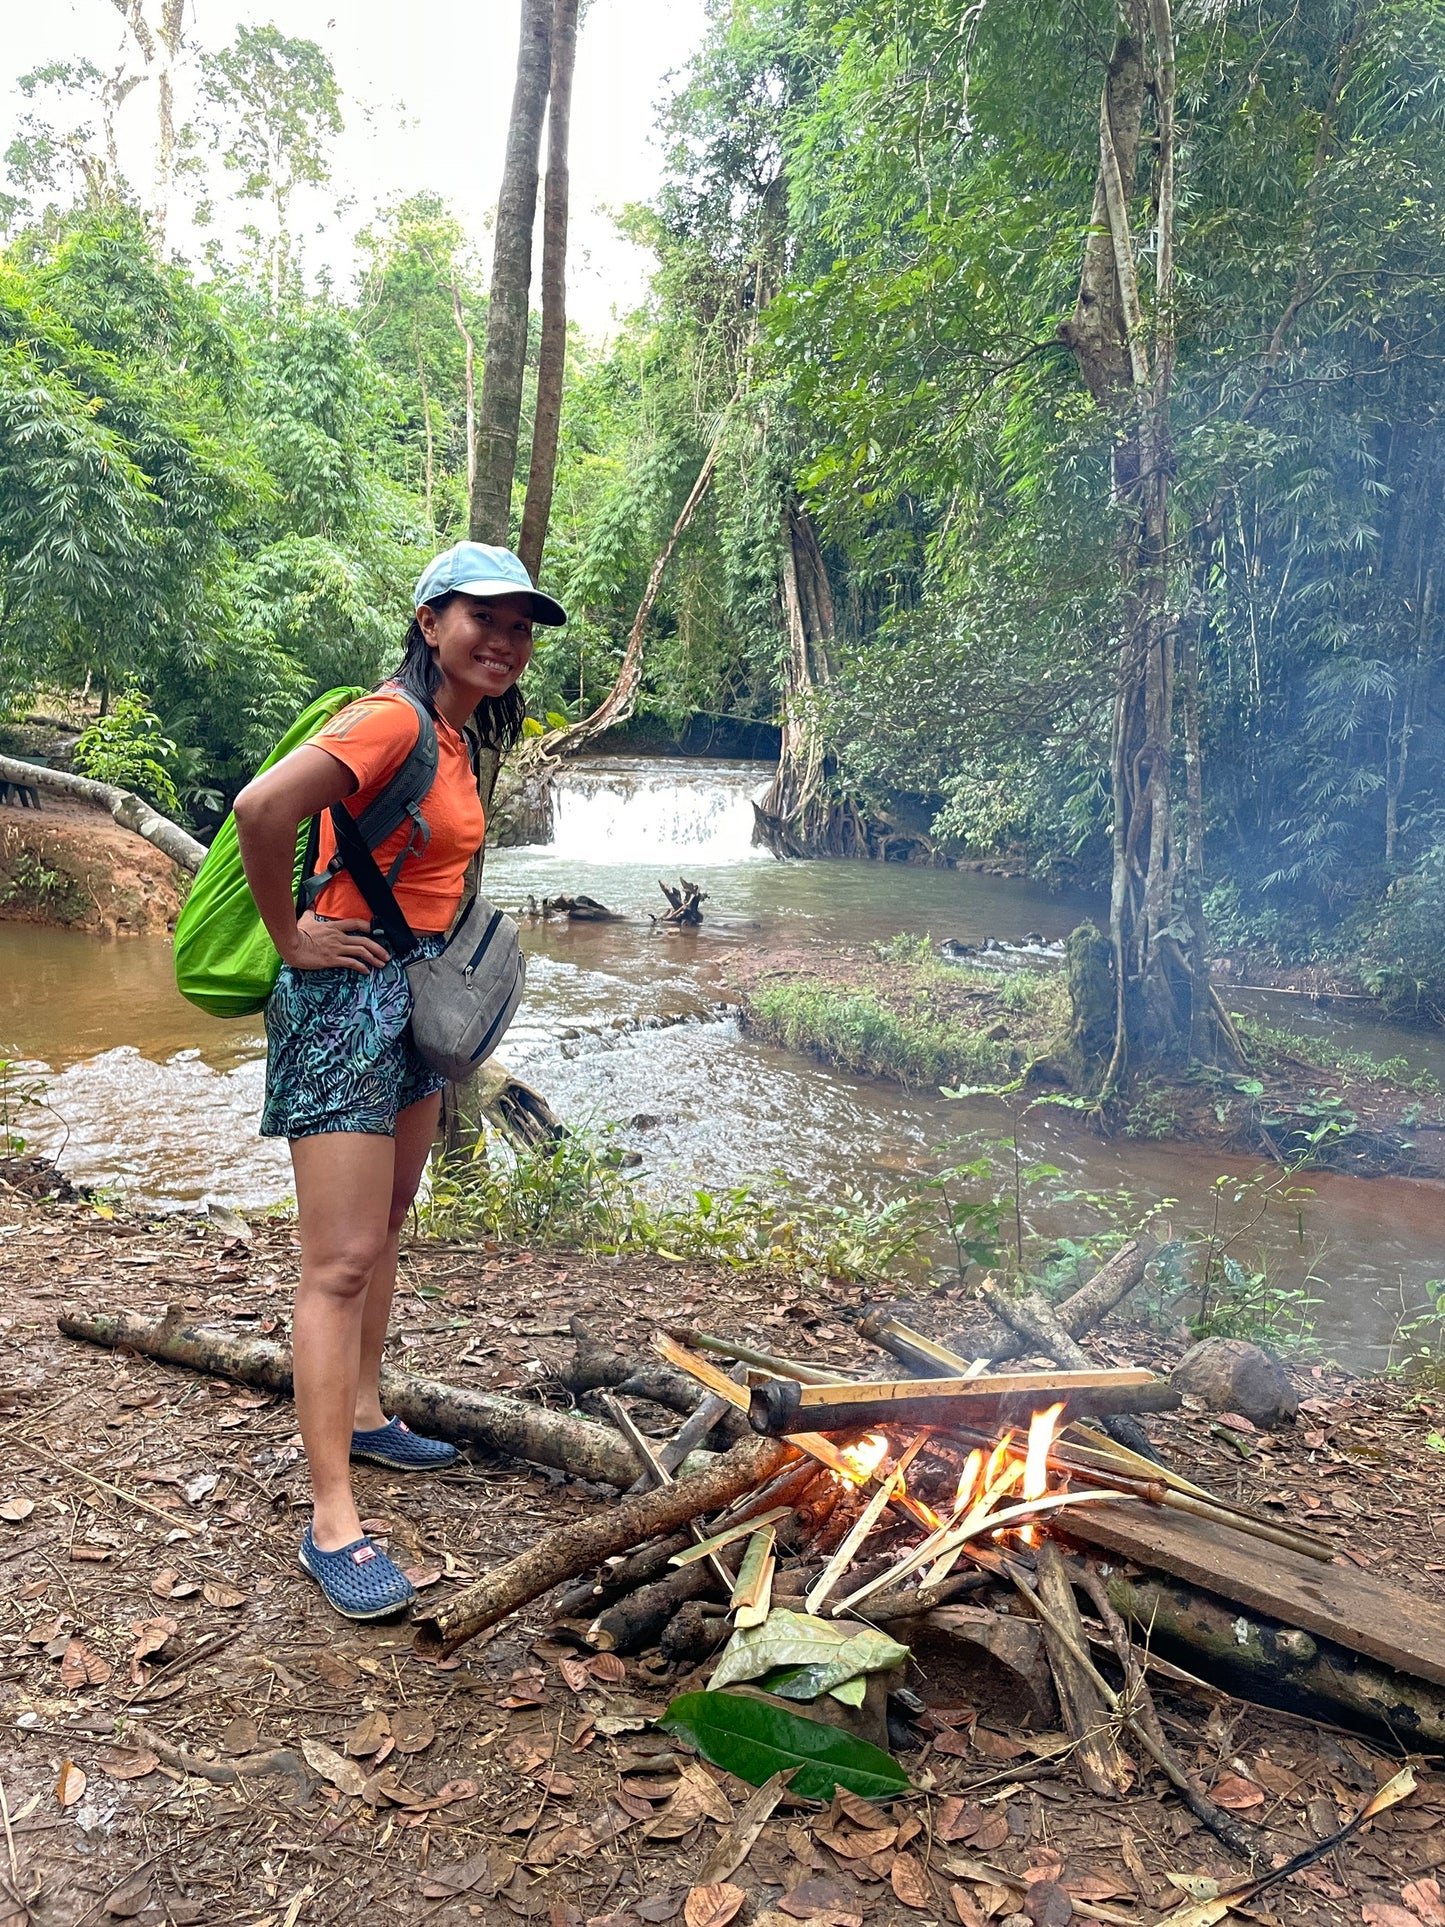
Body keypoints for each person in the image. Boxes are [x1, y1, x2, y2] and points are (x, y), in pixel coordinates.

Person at [233, 543, 566, 1619]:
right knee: (335, 1261)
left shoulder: (461, 734)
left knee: (385, 1220)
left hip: (414, 1001)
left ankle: (368, 1413)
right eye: (485, 617)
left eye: (521, 626)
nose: (506, 640)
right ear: (430, 621)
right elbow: (258, 807)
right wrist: (292, 938)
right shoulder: (390, 721)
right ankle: (331, 1519)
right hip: (343, 1002)